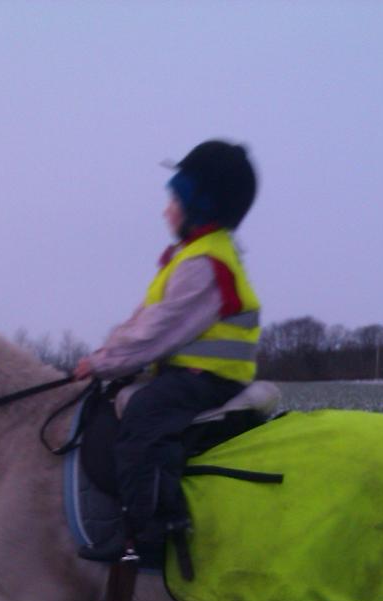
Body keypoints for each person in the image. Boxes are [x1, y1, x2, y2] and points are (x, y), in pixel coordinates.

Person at [74, 140, 261, 560]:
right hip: (187, 375)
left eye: (173, 198)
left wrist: (103, 363)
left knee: (144, 422)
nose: (165, 209)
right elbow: (141, 321)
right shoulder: (187, 257)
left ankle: (157, 533)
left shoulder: (204, 264)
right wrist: (107, 356)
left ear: (199, 203)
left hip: (209, 382)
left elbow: (156, 333)